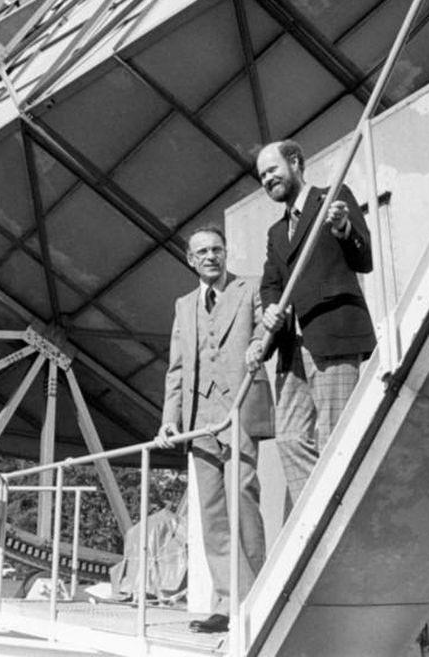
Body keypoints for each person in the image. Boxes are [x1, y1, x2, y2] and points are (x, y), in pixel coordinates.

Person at [156, 226, 273, 634]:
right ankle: (227, 602)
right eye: (202, 251)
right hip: (198, 419)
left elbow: (265, 331)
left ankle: (258, 594)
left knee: (242, 495)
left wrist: (260, 344)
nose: (211, 256)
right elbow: (176, 368)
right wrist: (170, 417)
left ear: (226, 253)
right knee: (211, 513)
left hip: (238, 408)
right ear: (191, 259)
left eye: (217, 249)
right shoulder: (183, 305)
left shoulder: (250, 289)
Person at [256, 140, 376, 516]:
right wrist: (270, 310)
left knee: (332, 436)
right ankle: (324, 509)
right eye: (262, 176)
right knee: (290, 438)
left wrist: (342, 227)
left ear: (295, 162)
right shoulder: (276, 233)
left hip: (334, 333)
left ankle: (335, 514)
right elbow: (271, 283)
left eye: (272, 169)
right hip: (293, 346)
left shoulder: (333, 197)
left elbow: (365, 256)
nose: (268, 179)